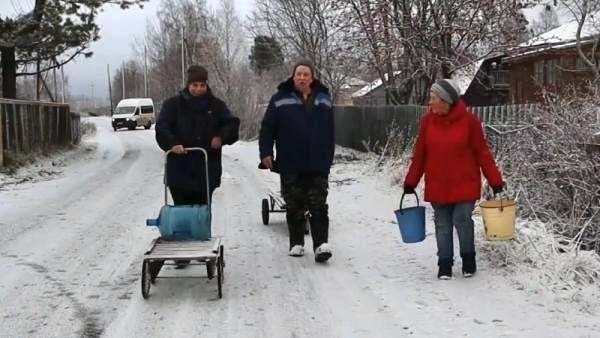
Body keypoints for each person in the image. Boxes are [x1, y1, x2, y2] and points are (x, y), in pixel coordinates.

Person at [403, 78, 504, 280]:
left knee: (461, 219)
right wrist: (411, 181)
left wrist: (495, 180)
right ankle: (445, 264)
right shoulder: (427, 123)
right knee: (442, 223)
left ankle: (468, 258)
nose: (429, 103)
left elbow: (482, 152)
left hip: (464, 183)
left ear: (446, 100)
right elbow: (420, 155)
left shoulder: (470, 122)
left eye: (433, 98)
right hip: (438, 183)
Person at [155, 65, 240, 266]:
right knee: (182, 210)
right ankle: (182, 251)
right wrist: (172, 144)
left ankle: (203, 247)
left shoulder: (216, 106)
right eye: (195, 85)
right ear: (188, 84)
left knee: (202, 210)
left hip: (206, 166)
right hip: (180, 166)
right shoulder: (173, 105)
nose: (198, 89)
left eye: (202, 85)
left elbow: (231, 124)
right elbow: (162, 127)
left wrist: (221, 136)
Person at [259, 61, 335, 263]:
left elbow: (330, 131)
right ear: (293, 77)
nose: (302, 77)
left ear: (312, 77)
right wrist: (266, 152)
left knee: (319, 204)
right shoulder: (280, 99)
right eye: (298, 74)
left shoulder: (324, 98)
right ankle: (296, 243)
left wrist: (329, 157)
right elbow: (267, 128)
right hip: (290, 160)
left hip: (317, 161)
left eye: (306, 74)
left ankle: (321, 245)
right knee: (294, 204)